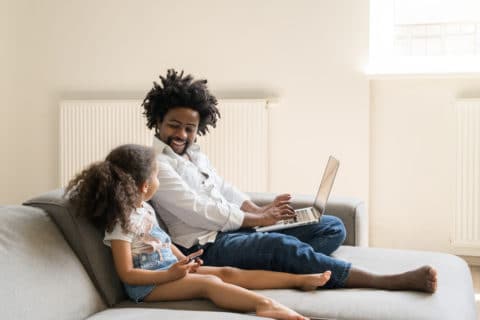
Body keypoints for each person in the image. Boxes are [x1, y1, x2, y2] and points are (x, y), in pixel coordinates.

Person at [141, 69, 438, 293]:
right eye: (174, 126)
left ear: (199, 128)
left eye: (189, 128)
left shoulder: (195, 155)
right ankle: (382, 281)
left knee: (332, 227)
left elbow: (223, 188)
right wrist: (256, 219)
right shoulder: (158, 166)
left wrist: (259, 210)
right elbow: (198, 210)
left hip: (234, 233)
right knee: (280, 245)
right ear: (158, 123)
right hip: (208, 247)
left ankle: (286, 260)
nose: (181, 134)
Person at [65, 143, 334, 320]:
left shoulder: (145, 208)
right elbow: (127, 274)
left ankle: (297, 280)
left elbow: (162, 240)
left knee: (229, 273)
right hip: (147, 287)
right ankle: (264, 305)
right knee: (210, 284)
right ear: (146, 185)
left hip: (170, 270)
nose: (160, 181)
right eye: (158, 176)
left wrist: (181, 260)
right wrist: (170, 274)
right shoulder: (119, 223)